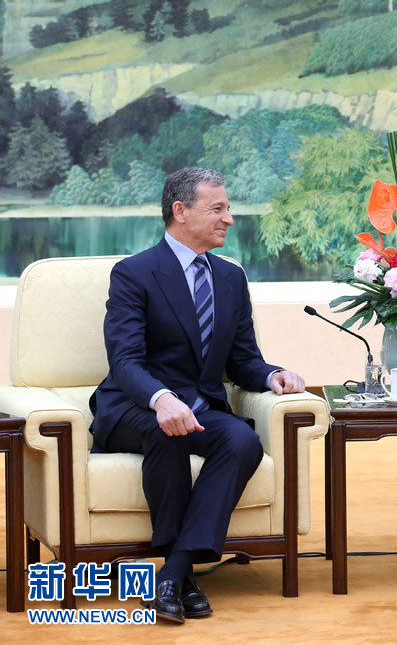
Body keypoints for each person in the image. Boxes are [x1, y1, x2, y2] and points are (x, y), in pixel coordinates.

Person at [90, 167, 306, 624]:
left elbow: (244, 360)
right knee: (167, 430)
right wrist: (162, 398)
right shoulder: (134, 273)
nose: (229, 218)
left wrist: (273, 376)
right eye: (219, 209)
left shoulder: (229, 278)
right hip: (134, 406)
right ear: (181, 211)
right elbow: (125, 360)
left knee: (242, 441)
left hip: (201, 406)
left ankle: (174, 572)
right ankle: (181, 575)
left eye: (229, 208)